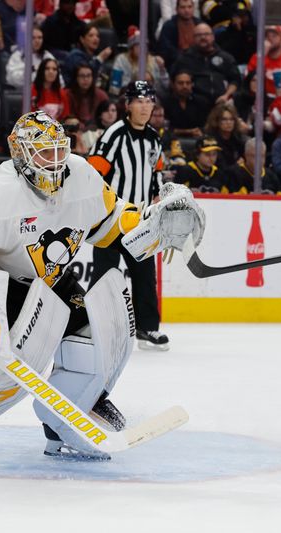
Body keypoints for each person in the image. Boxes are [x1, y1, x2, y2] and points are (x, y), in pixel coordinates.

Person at [0, 110, 204, 470]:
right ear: (21, 155)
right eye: (44, 153)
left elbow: (112, 222)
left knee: (97, 335)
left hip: (49, 279)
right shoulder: (0, 194)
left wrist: (153, 223)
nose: (55, 162)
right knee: (2, 364)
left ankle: (69, 420)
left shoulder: (82, 176)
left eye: (59, 150)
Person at [88, 81, 171, 351]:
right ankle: (95, 325)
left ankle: (147, 328)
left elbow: (156, 174)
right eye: (139, 100)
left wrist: (159, 199)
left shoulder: (154, 138)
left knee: (145, 275)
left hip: (140, 221)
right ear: (128, 105)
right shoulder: (114, 134)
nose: (145, 106)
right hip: (110, 219)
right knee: (105, 275)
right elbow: (94, 172)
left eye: (149, 100)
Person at [170, 22, 241, 106]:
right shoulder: (184, 58)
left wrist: (226, 96)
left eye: (206, 34)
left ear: (213, 36)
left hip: (221, 103)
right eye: (199, 35)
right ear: (193, 38)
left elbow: (235, 80)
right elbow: (173, 80)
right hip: (194, 105)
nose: (203, 37)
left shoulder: (226, 58)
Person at [109, 26, 167, 98]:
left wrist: (162, 69)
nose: (142, 48)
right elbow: (115, 86)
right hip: (129, 95)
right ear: (131, 48)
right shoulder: (121, 59)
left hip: (153, 97)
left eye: (144, 45)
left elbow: (165, 86)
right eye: (138, 46)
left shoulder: (154, 60)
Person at [162, 69, 211, 137]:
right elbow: (164, 128)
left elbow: (206, 125)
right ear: (173, 84)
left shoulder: (201, 102)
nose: (185, 86)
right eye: (180, 83)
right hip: (171, 140)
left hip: (197, 139)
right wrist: (187, 132)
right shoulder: (165, 102)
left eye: (188, 83)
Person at [62, 22, 114, 87]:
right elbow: (85, 75)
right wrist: (100, 58)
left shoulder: (94, 56)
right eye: (91, 35)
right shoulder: (75, 55)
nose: (96, 39)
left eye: (97, 36)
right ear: (82, 39)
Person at [156, 0, 201, 67]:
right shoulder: (169, 26)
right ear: (177, 9)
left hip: (198, 62)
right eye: (183, 7)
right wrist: (185, 58)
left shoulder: (200, 24)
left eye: (189, 7)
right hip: (177, 63)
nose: (186, 10)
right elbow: (166, 49)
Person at [204, 102, 247, 168]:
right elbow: (220, 168)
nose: (229, 123)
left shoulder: (238, 138)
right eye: (224, 119)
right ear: (217, 121)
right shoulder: (211, 141)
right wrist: (237, 166)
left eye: (231, 119)